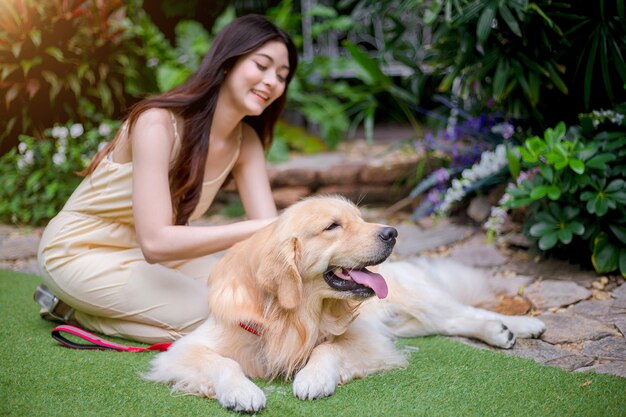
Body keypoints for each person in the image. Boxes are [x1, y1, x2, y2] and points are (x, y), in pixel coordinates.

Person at [35, 14, 298, 344]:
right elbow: (156, 243)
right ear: (227, 63)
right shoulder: (156, 124)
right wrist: (266, 227)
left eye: (282, 75)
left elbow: (269, 235)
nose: (272, 81)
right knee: (216, 315)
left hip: (159, 261)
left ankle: (86, 309)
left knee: (252, 301)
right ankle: (79, 311)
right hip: (80, 252)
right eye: (262, 65)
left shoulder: (246, 143)